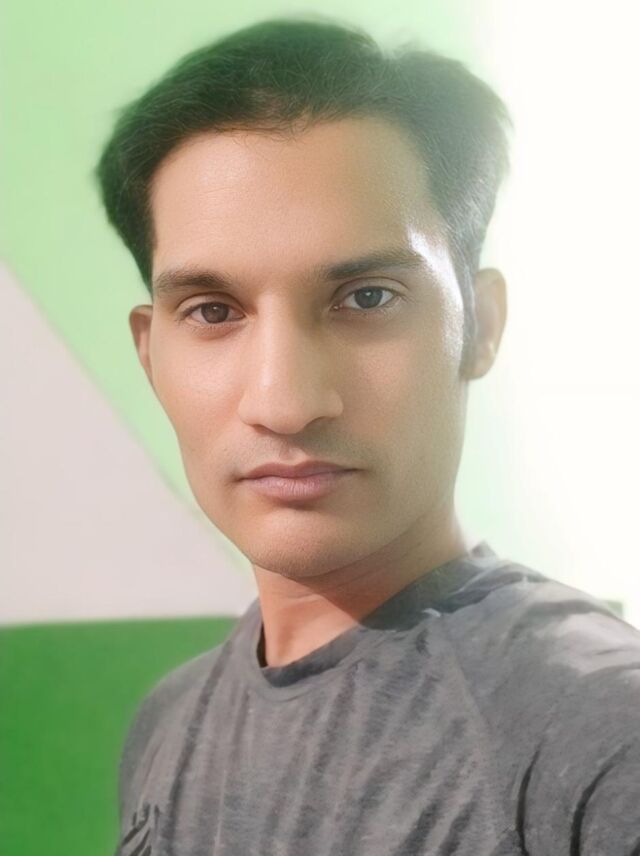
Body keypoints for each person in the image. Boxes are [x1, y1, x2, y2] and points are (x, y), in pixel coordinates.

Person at [94, 16, 640, 856]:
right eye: (212, 311)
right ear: (150, 354)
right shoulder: (167, 722)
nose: (285, 402)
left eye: (367, 298)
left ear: (480, 325)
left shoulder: (601, 740)